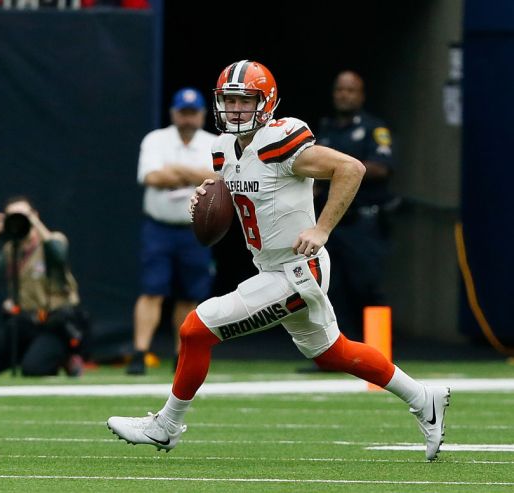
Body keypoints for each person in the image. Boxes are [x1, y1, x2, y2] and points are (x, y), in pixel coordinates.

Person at [108, 60, 450, 461]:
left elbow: (351, 168)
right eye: (229, 100)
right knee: (332, 351)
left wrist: (322, 228)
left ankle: (166, 425)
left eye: (245, 101)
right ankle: (423, 397)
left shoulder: (281, 141)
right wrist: (208, 196)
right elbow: (240, 197)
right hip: (274, 268)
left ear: (266, 102)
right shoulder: (222, 149)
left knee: (195, 329)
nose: (235, 109)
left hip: (296, 271)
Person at [126, 87, 218, 375]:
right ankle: (140, 352)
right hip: (159, 227)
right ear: (173, 113)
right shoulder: (156, 139)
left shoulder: (215, 143)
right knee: (152, 289)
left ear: (202, 114)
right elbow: (152, 177)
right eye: (183, 112)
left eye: (193, 113)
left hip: (196, 229)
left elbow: (220, 179)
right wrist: (196, 174)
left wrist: (176, 171)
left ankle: (181, 355)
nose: (188, 118)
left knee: (190, 294)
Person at [0, 196, 89, 377]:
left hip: (55, 323)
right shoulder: (11, 250)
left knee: (33, 370)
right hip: (25, 323)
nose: (19, 219)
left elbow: (59, 255)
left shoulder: (52, 239)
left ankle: (65, 357)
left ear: (34, 215)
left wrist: (34, 222)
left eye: (23, 215)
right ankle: (31, 352)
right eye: (13, 216)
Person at [314, 70, 396, 339]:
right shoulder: (326, 130)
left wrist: (341, 169)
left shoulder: (374, 129)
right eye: (340, 89)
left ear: (361, 96)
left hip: (363, 223)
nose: (344, 95)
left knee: (367, 286)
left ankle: (378, 350)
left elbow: (382, 167)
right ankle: (341, 351)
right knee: (331, 288)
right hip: (331, 223)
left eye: (350, 90)